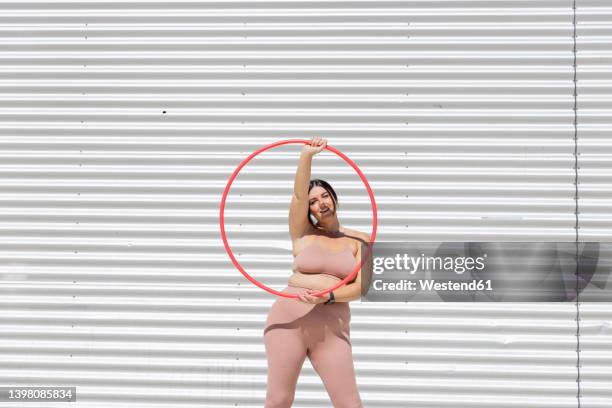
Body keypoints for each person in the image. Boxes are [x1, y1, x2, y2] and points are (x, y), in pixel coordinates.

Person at [263, 136, 370, 407]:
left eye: (324, 195)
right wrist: (306, 157)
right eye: (313, 201)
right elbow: (298, 195)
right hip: (288, 322)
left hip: (331, 327)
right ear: (308, 210)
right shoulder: (302, 233)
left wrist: (328, 296)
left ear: (335, 198)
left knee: (350, 403)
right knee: (279, 400)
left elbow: (362, 286)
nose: (320, 203)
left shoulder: (361, 239)